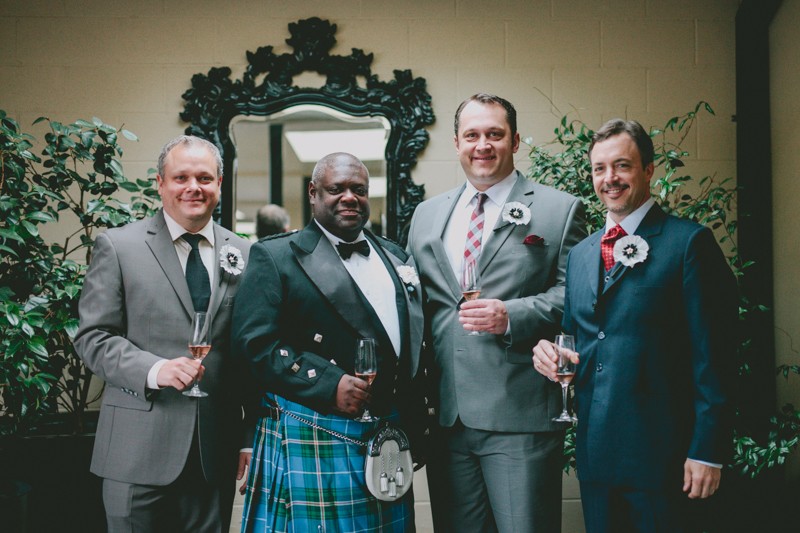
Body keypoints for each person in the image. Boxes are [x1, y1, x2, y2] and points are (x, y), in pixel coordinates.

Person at [532, 119, 737, 532]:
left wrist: (707, 451)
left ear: (648, 170)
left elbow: (716, 354)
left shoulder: (689, 244)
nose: (610, 178)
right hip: (597, 458)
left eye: (622, 165)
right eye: (599, 168)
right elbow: (578, 339)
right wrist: (553, 356)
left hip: (668, 459)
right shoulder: (583, 254)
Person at [406, 93, 587, 533]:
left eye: (494, 134)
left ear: (516, 140)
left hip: (519, 415)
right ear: (456, 143)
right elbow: (411, 303)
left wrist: (513, 314)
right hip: (447, 419)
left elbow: (577, 296)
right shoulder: (426, 215)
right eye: (472, 135)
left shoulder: (559, 209)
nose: (482, 145)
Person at [233, 152, 426, 532]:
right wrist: (326, 383)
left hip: (388, 430)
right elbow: (255, 346)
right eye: (336, 189)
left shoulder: (396, 255)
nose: (349, 197)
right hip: (314, 427)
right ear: (313, 193)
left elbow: (413, 345)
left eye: (358, 189)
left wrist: (416, 425)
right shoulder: (275, 257)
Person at [74, 135, 255, 533]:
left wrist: (247, 437)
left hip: (213, 453)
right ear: (160, 183)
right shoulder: (118, 247)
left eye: (205, 178)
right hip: (136, 452)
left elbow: (247, 354)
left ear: (219, 185)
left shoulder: (244, 253)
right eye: (181, 177)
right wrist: (155, 370)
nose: (194, 187)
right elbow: (93, 337)